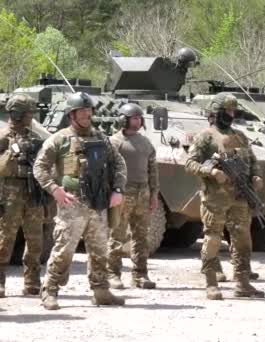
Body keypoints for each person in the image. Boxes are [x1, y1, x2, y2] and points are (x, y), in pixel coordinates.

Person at [34, 92, 127, 310]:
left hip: (99, 203)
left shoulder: (102, 138)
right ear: (71, 114)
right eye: (82, 111)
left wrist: (118, 190)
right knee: (64, 249)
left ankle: (101, 291)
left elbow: (119, 164)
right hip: (72, 204)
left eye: (89, 110)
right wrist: (54, 189)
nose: (87, 114)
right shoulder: (59, 139)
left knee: (99, 250)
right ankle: (50, 290)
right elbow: (39, 167)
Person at [185, 93, 264, 300]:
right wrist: (211, 172)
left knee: (243, 240)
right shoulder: (206, 136)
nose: (230, 115)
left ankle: (242, 282)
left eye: (232, 111)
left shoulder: (240, 136)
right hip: (215, 200)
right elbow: (190, 163)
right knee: (212, 239)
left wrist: (256, 176)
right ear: (216, 112)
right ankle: (211, 283)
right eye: (226, 111)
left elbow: (253, 160)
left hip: (240, 198)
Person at [106, 103, 158, 289]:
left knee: (141, 237)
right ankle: (112, 274)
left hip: (143, 194)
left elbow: (153, 170)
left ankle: (140, 275)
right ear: (123, 120)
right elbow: (108, 171)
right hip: (122, 193)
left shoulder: (145, 143)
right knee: (117, 236)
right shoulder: (114, 142)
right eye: (134, 118)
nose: (138, 121)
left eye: (139, 118)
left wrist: (154, 195)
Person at [0, 94, 45, 298]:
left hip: (31, 191)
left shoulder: (34, 138)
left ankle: (32, 281)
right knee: (5, 238)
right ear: (16, 114)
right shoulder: (3, 138)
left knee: (35, 239)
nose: (31, 117)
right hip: (8, 192)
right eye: (28, 114)